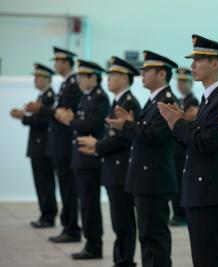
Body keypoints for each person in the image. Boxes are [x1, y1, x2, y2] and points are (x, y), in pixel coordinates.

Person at [158, 34, 218, 267]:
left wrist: (177, 124)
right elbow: (198, 137)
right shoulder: (210, 97)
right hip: (201, 188)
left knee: (208, 256)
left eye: (198, 60)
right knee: (202, 255)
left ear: (215, 63)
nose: (192, 65)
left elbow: (205, 142)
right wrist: (182, 124)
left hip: (209, 190)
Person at [107, 51, 178, 267]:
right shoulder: (153, 100)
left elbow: (154, 135)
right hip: (145, 179)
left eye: (147, 71)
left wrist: (127, 125)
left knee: (154, 237)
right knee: (147, 236)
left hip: (153, 179)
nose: (143, 74)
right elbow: (144, 131)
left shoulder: (166, 101)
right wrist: (131, 125)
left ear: (162, 74)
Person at [78, 56, 141, 267]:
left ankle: (125, 260)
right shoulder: (118, 101)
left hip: (121, 168)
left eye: (113, 75)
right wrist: (98, 145)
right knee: (118, 220)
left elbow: (123, 138)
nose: (108, 78)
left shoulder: (129, 102)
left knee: (123, 220)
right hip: (113, 167)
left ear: (125, 78)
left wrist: (97, 146)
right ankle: (120, 258)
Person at [25, 47, 82, 243]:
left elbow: (63, 113)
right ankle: (68, 225)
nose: (55, 65)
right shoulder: (66, 84)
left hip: (65, 144)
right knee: (65, 187)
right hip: (59, 144)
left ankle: (72, 228)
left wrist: (42, 109)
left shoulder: (72, 85)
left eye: (58, 61)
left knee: (68, 188)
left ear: (66, 63)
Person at [55, 59, 109, 259]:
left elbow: (91, 125)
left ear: (93, 77)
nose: (78, 80)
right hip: (80, 157)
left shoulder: (99, 98)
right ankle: (90, 243)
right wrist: (74, 121)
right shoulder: (87, 97)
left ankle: (94, 245)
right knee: (85, 204)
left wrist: (70, 120)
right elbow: (81, 122)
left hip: (90, 159)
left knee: (89, 204)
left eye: (82, 76)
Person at [10, 63, 57, 228]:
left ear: (47, 78)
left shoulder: (49, 97)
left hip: (43, 147)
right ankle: (45, 213)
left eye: (38, 76)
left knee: (45, 183)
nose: (35, 80)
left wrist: (23, 117)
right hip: (38, 146)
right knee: (41, 183)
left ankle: (48, 215)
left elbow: (44, 121)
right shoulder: (42, 96)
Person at [170, 67, 199, 226]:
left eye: (184, 81)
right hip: (176, 147)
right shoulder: (180, 101)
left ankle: (180, 214)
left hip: (183, 149)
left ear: (190, 83)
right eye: (179, 81)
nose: (181, 85)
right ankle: (177, 213)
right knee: (176, 182)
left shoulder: (192, 101)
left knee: (180, 183)